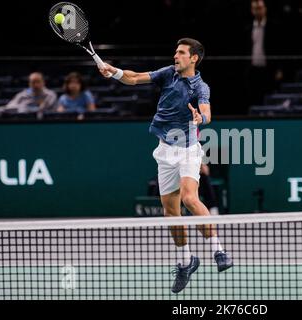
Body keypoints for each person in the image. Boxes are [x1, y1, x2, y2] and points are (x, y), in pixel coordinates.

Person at [99, 38, 233, 293]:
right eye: (175, 51)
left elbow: (207, 113)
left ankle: (219, 251)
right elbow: (135, 77)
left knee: (190, 199)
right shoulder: (168, 74)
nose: (175, 56)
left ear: (194, 58)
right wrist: (113, 71)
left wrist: (200, 117)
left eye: (181, 53)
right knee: (170, 212)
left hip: (187, 150)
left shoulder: (200, 86)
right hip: (165, 151)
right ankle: (186, 261)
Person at [245, 0, 283, 106]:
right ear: (252, 11)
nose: (258, 11)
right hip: (253, 70)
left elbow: (279, 49)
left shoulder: (273, 27)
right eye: (256, 9)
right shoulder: (248, 28)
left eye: (260, 8)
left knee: (270, 98)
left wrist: (279, 68)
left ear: (265, 9)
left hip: (269, 69)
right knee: (254, 99)